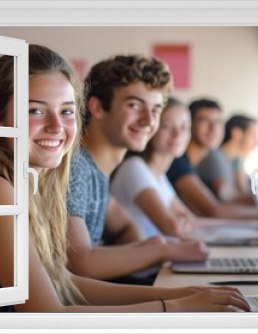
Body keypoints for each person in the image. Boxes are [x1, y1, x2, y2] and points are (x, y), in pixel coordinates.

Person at [0, 44, 249, 313]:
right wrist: (173, 307)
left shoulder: (30, 184)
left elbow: (65, 284)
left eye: (66, 111)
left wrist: (181, 294)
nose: (56, 126)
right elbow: (46, 314)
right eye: (35, 111)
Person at [66, 55, 210, 284]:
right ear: (97, 107)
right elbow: (81, 263)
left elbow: (124, 226)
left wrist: (153, 245)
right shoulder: (74, 167)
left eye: (155, 109)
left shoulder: (97, 170)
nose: (148, 121)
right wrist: (162, 250)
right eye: (134, 105)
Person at [110, 97, 197, 239]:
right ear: (151, 128)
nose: (177, 134)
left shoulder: (159, 175)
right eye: (167, 126)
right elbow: (172, 227)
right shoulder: (134, 167)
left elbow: (191, 221)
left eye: (184, 127)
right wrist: (179, 222)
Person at [166, 98, 258, 219]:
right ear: (189, 124)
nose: (213, 128)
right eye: (205, 121)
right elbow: (215, 210)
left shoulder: (196, 164)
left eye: (218, 122)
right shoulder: (178, 162)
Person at [196, 114, 258, 203]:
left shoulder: (234, 162)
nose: (257, 142)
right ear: (236, 133)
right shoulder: (215, 157)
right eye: (253, 135)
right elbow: (227, 197)